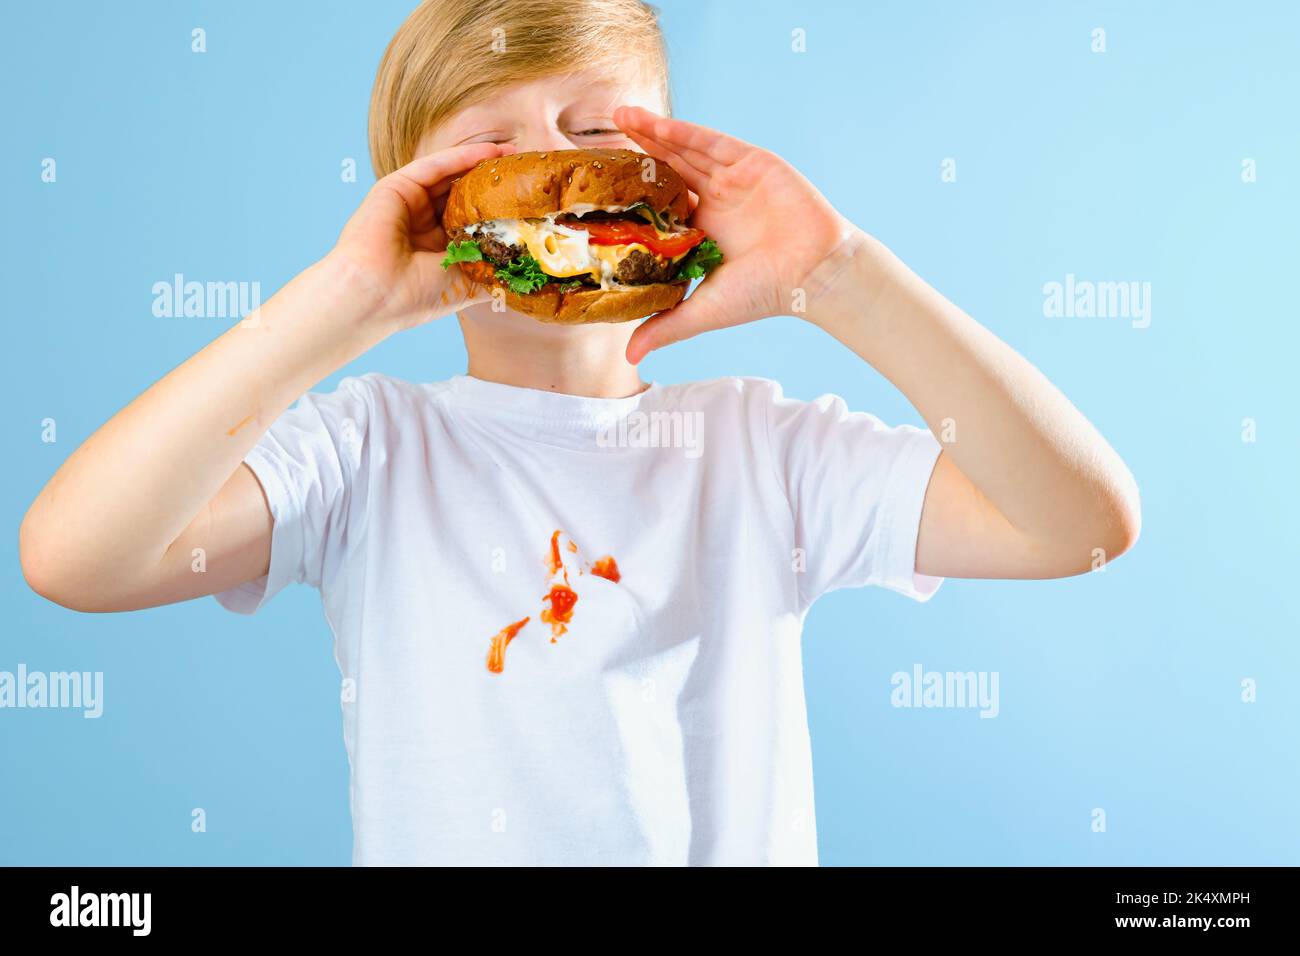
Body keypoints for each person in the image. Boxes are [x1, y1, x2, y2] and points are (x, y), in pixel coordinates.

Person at [19, 0, 1139, 865]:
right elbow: (75, 557)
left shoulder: (765, 449)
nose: (552, 165)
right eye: (486, 143)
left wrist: (840, 275)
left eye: (595, 129)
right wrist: (334, 309)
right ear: (419, 203)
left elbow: (1080, 525)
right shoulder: (364, 452)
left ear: (671, 196)